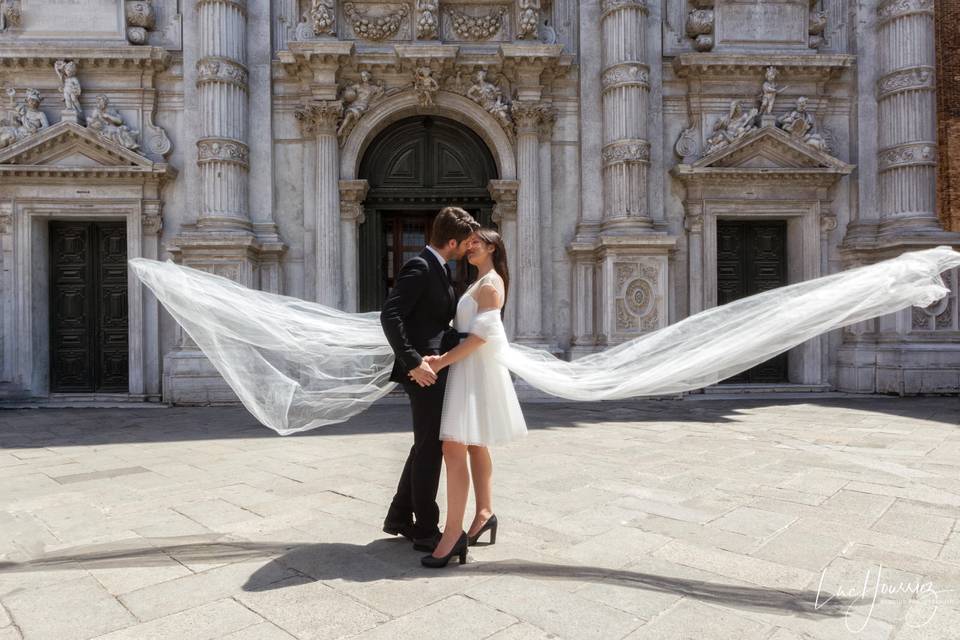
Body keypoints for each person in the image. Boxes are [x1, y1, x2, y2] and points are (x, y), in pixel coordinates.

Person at [420, 229, 525, 568]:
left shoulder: (491, 284)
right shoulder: (480, 282)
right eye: (468, 242)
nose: (469, 246)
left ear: (492, 246)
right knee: (476, 443)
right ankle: (483, 512)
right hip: (470, 368)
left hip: (471, 368)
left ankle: (453, 534)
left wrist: (441, 360)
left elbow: (481, 337)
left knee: (454, 446)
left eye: (476, 242)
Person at [379, 206, 480, 552]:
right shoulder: (421, 266)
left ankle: (398, 516)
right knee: (430, 448)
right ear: (451, 241)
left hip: (435, 368)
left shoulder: (438, 267)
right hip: (423, 373)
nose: (469, 247)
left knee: (425, 444)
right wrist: (413, 362)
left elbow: (436, 324)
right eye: (466, 242)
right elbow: (390, 315)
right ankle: (425, 528)